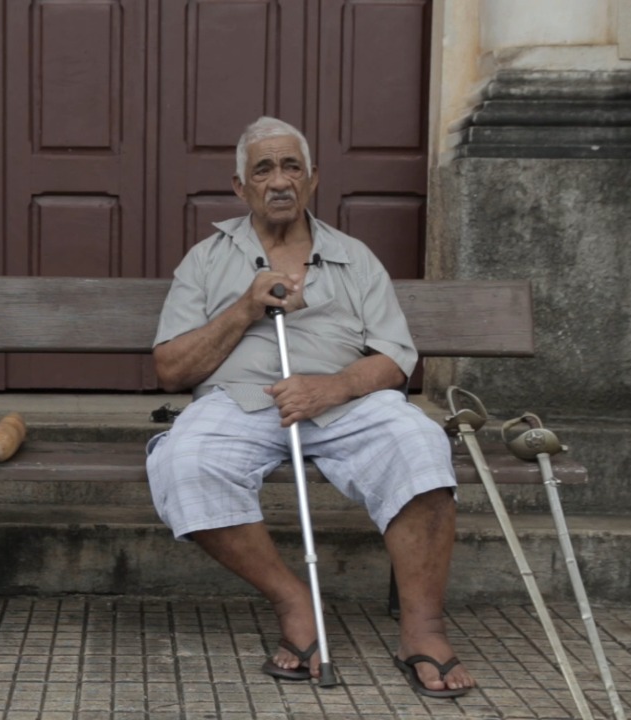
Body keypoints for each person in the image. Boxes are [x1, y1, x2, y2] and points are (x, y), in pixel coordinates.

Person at [145, 116, 476, 697]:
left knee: (420, 446)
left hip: (344, 399)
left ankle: (423, 629)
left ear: (313, 179)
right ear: (240, 186)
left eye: (291, 166)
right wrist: (244, 309)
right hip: (240, 402)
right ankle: (296, 603)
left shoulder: (354, 257)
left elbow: (395, 357)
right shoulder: (205, 260)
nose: (278, 181)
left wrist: (335, 387)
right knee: (185, 464)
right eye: (263, 169)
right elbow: (172, 369)